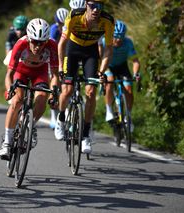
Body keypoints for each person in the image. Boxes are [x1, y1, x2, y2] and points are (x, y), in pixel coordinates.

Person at [54, 0, 114, 154]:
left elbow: (108, 49)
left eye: (99, 6)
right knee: (67, 90)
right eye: (93, 6)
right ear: (87, 5)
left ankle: (85, 134)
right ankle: (61, 119)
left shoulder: (107, 21)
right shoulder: (74, 16)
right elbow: (61, 44)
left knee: (91, 92)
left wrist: (102, 71)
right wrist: (60, 67)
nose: (96, 10)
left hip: (90, 53)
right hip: (72, 50)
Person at [0, 18, 60, 160]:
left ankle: (30, 125)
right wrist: (9, 90)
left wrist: (54, 93)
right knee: (17, 101)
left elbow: (55, 75)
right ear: (29, 38)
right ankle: (7, 142)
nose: (38, 46)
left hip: (40, 72)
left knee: (43, 96)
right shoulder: (21, 43)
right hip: (22, 70)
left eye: (41, 43)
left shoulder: (52, 45)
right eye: (35, 42)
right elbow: (10, 74)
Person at [99, 20, 140, 129]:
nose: (118, 40)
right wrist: (100, 73)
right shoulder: (104, 41)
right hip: (108, 66)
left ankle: (128, 116)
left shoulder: (128, 43)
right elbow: (100, 59)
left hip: (122, 66)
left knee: (129, 90)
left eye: (121, 37)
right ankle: (109, 110)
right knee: (110, 80)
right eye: (116, 36)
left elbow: (135, 61)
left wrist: (136, 74)